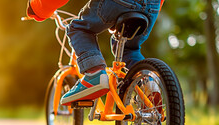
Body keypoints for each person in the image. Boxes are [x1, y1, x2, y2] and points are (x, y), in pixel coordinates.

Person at [26, 0, 164, 105]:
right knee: (129, 47)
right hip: (152, 6)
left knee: (78, 28)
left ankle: (95, 73)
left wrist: (37, 8)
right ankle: (149, 86)